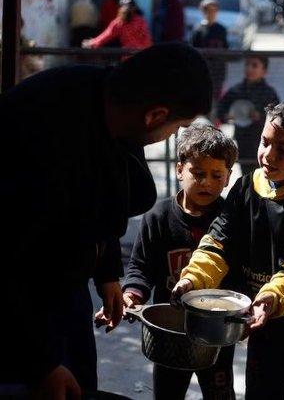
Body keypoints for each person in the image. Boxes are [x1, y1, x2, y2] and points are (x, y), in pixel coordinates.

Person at [0, 43, 212, 398]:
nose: (170, 136)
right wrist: (42, 364)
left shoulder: (110, 103)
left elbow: (102, 201)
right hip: (19, 309)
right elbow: (12, 264)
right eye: (177, 126)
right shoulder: (48, 137)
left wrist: (106, 270)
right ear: (155, 115)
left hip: (64, 286)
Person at [172, 100, 284, 400]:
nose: (269, 155)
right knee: (262, 390)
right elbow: (218, 241)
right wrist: (193, 279)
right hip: (262, 322)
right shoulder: (247, 186)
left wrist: (268, 299)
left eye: (283, 149)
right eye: (265, 142)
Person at [123, 124, 238, 400]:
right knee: (167, 393)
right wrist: (133, 293)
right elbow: (141, 267)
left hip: (217, 331)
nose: (207, 182)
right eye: (198, 174)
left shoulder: (232, 219)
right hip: (170, 331)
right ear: (179, 170)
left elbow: (239, 275)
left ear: (228, 177)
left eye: (216, 175)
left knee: (220, 392)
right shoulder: (158, 217)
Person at [217, 56, 280, 176]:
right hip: (243, 138)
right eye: (247, 65)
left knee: (263, 173)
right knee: (247, 174)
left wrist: (261, 116)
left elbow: (277, 117)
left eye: (254, 65)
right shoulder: (236, 90)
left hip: (263, 140)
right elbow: (221, 109)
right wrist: (227, 116)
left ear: (264, 71)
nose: (249, 68)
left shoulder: (269, 93)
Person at [191, 0, 229, 102]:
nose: (211, 13)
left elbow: (226, 49)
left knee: (216, 98)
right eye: (208, 11)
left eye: (214, 11)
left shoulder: (221, 29)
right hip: (203, 69)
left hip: (217, 70)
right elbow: (194, 50)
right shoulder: (198, 29)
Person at [82, 0, 153, 50]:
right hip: (136, 56)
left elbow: (104, 36)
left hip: (131, 57)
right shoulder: (121, 22)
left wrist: (91, 43)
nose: (126, 10)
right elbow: (105, 36)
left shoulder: (121, 22)